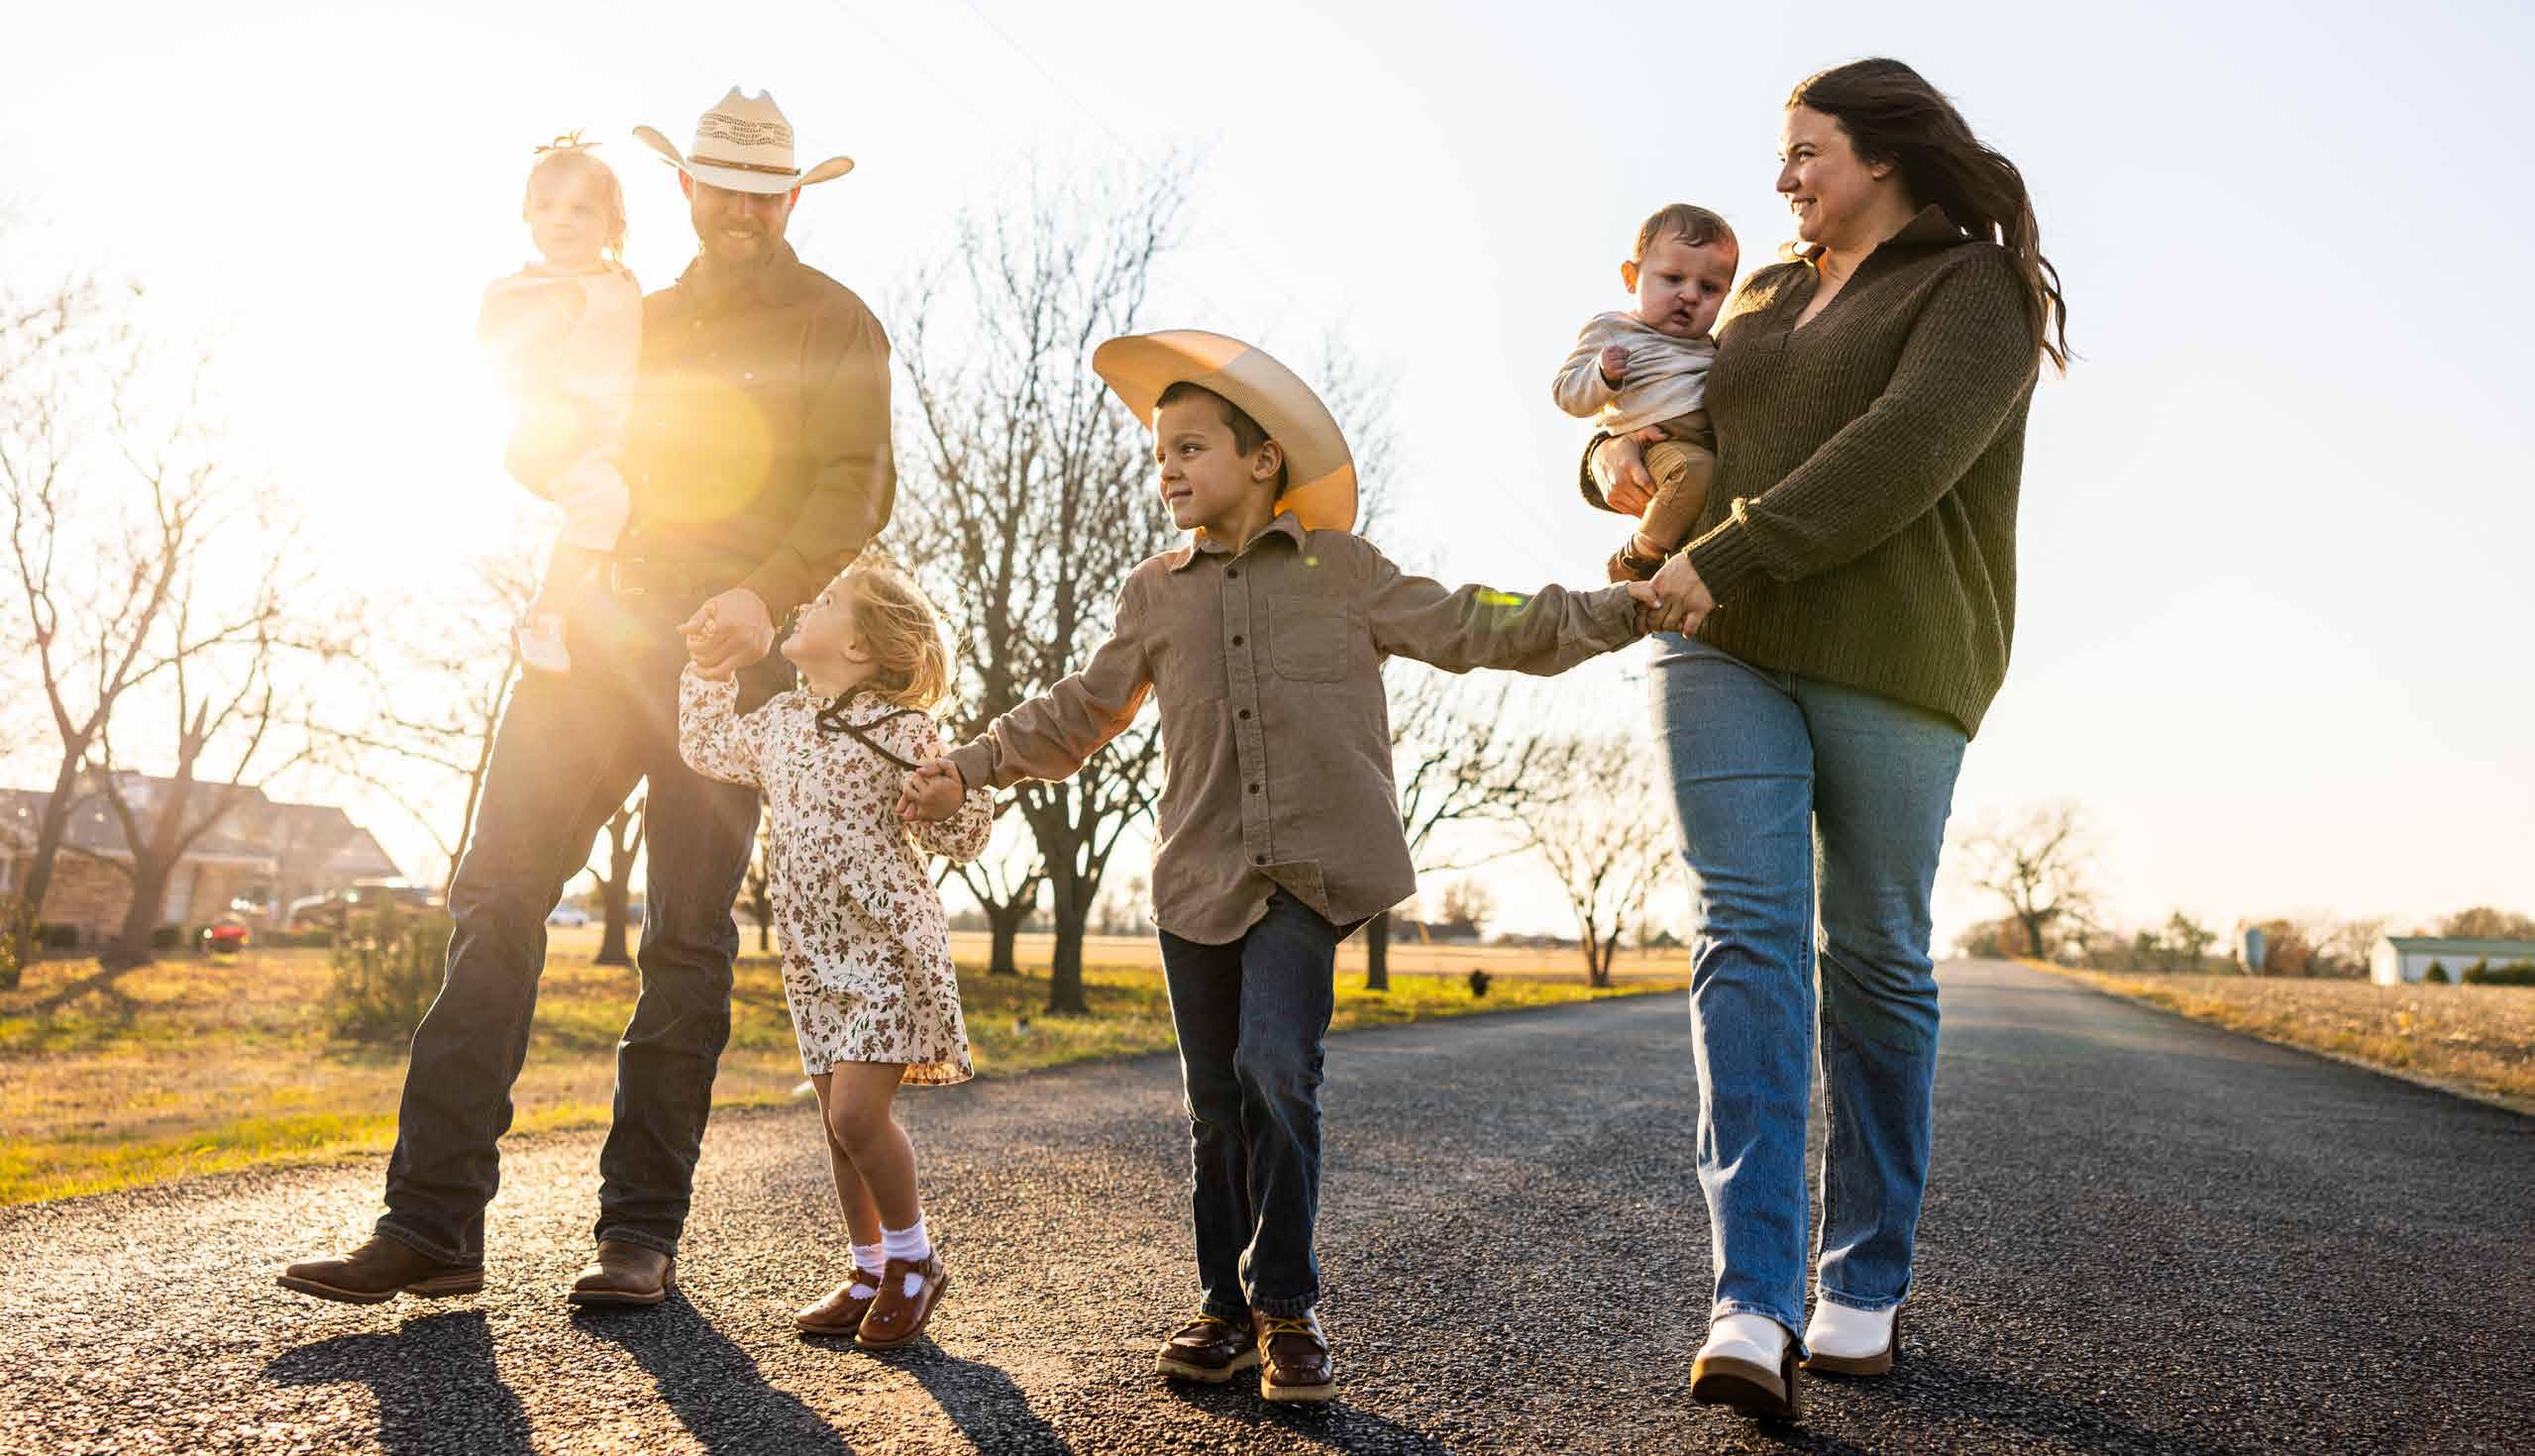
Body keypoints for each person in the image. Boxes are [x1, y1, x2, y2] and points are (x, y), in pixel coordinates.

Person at [899, 331, 1656, 1403]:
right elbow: (1080, 711)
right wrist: (972, 766)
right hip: (1195, 880)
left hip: (1309, 875)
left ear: (1263, 461)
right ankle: (1221, 1308)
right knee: (1215, 1105)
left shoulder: (1343, 571)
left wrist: (1621, 608)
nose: (1168, 469)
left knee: (1274, 1069)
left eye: (1191, 448)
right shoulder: (1152, 593)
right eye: (1159, 454)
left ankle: (1287, 1306)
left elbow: (1475, 623)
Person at [280, 87, 892, 1309]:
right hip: (602, 631)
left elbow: (857, 486)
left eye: (765, 192)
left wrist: (765, 595)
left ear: (792, 198)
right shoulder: (629, 316)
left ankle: (638, 1235)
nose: (742, 208)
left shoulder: (838, 322)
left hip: (732, 660)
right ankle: (431, 1222)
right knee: (494, 893)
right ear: (686, 190)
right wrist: (546, 438)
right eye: (722, 187)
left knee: (685, 937)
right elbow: (539, 431)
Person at [1584, 58, 2069, 1419]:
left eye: (1807, 151)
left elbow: (1903, 450)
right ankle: (1749, 1299)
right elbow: (1671, 413)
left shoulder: (1976, 289)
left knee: (1873, 955)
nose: (1783, 177)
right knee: (1744, 936)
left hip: (1896, 657)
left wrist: (1730, 553)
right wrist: (1611, 464)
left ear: (1884, 153)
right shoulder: (1756, 295)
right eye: (1783, 153)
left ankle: (1864, 1277)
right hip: (1719, 643)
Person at [678, 564, 990, 1346]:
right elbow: (707, 746)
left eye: (822, 602)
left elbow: (963, 832)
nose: (802, 607)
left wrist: (951, 798)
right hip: (813, 955)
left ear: (856, 645)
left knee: (857, 1114)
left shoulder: (901, 730)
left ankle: (914, 1262)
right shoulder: (781, 721)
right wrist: (709, 671)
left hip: (888, 948)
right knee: (836, 1123)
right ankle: (867, 1268)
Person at [475, 135, 641, 675]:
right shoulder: (521, 291)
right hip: (569, 440)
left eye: (580, 209)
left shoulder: (621, 282)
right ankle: (546, 614)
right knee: (604, 505)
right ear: (527, 213)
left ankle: (596, 604)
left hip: (622, 435)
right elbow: (504, 360)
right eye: (547, 206)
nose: (561, 220)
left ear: (613, 224)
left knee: (626, 514)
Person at [1551, 204, 1738, 582]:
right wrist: (1601, 374)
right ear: (1631, 277)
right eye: (1673, 278)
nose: (1690, 295)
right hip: (1657, 441)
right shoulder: (1613, 330)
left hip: (1702, 442)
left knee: (1700, 476)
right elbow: (1565, 392)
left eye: (1709, 288)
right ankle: (1635, 559)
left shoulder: (1713, 343)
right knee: (1694, 472)